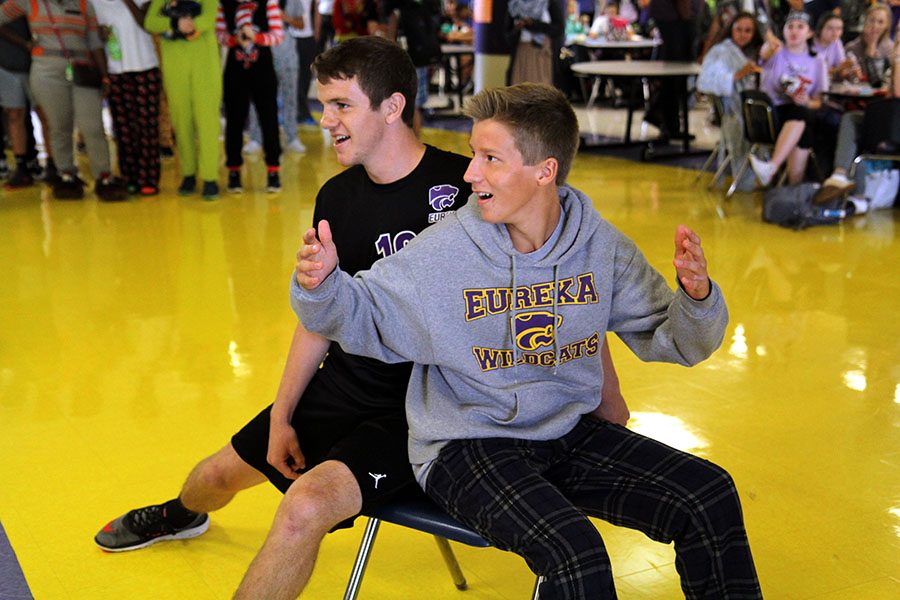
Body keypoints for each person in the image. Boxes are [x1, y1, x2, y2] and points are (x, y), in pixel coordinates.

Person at [92, 35, 629, 598]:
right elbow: (319, 318)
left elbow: (561, 291)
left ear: (392, 107)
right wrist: (283, 414)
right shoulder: (337, 197)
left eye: (341, 105)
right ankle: (182, 515)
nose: (325, 120)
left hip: (426, 409)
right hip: (345, 385)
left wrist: (603, 400)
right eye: (322, 105)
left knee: (304, 508)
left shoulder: (472, 185)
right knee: (215, 475)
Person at [293, 81, 761, 599]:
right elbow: (363, 315)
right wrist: (322, 286)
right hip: (464, 445)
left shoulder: (599, 246)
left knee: (708, 496)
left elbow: (674, 340)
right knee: (574, 553)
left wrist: (696, 301)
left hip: (565, 431)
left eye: (490, 158)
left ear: (545, 171)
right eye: (474, 155)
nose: (471, 173)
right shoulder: (445, 251)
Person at [0, 0, 128, 200]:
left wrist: (104, 76)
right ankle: (66, 175)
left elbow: (94, 42)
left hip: (82, 70)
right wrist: (24, 43)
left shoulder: (84, 4)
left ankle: (104, 176)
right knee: (59, 125)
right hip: (46, 71)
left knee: (92, 126)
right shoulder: (30, 2)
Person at [144, 0, 222, 199]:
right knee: (181, 120)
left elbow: (208, 19)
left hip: (205, 67)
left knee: (207, 122)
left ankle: (210, 177)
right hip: (175, 67)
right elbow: (150, 22)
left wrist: (183, 23)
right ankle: (188, 174)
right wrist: (175, 24)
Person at [90, 0, 162, 196]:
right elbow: (92, 35)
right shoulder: (95, 3)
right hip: (115, 71)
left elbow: (147, 24)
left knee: (147, 127)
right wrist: (100, 35)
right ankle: (129, 176)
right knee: (123, 128)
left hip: (145, 67)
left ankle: (149, 178)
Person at [749, 10, 828, 186]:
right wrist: (769, 42)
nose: (794, 31)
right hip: (770, 114)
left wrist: (806, 100)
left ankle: (776, 173)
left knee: (802, 116)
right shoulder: (775, 51)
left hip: (799, 112)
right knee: (802, 118)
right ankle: (792, 185)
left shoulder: (818, 61)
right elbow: (763, 56)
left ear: (810, 33)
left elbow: (819, 101)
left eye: (800, 27)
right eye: (790, 26)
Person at [217, 0, 285, 194]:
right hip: (235, 71)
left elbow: (278, 35)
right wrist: (234, 40)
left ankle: (273, 171)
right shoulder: (224, 4)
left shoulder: (269, 2)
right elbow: (219, 34)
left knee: (269, 118)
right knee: (234, 121)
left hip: (263, 70)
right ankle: (234, 170)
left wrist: (257, 37)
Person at [697, 10, 764, 191]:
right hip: (734, 112)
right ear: (731, 30)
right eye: (739, 29)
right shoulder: (722, 51)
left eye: (748, 31)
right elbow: (705, 81)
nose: (743, 35)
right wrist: (737, 75)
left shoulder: (752, 52)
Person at [505, 0, 566, 86]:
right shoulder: (514, 5)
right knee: (519, 88)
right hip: (521, 54)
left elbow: (558, 29)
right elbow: (507, 35)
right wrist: (518, 28)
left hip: (543, 54)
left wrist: (534, 24)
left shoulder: (549, 3)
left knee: (542, 89)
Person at [844, 3, 893, 90]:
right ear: (865, 21)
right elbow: (862, 80)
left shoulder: (891, 49)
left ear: (887, 25)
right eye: (871, 20)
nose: (875, 26)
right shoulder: (851, 47)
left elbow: (881, 82)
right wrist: (871, 46)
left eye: (880, 22)